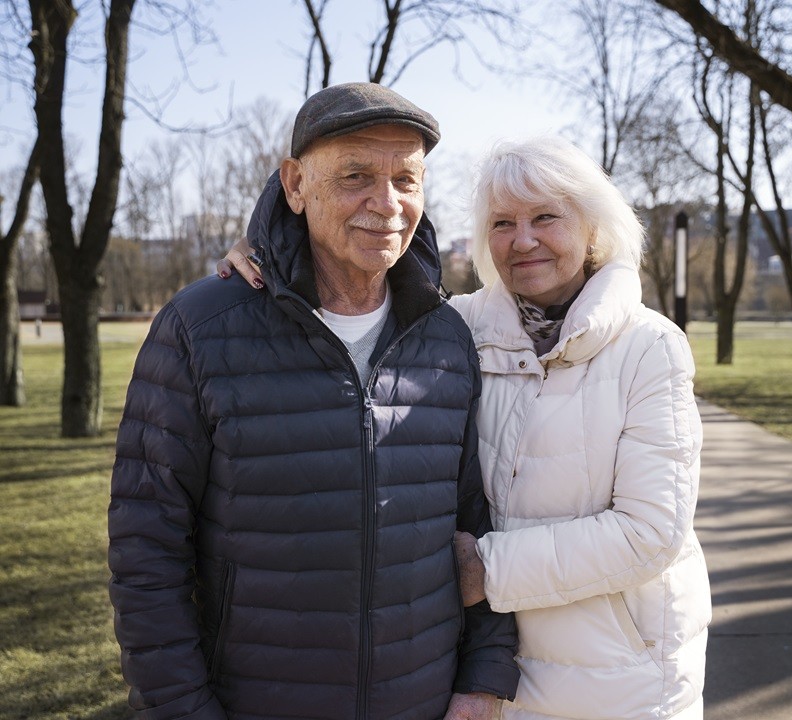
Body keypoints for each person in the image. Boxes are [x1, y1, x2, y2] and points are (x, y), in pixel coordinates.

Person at [221, 136, 711, 719]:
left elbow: (650, 533)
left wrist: (486, 568)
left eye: (546, 217)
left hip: (618, 679)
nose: (522, 240)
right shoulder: (456, 328)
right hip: (489, 678)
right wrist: (269, 250)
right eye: (503, 222)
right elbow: (344, 278)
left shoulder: (650, 347)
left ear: (593, 227)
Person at [108, 82, 520, 720]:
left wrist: (484, 680)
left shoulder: (447, 337)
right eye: (356, 174)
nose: (386, 203)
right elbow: (145, 553)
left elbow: (477, 525)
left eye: (406, 179)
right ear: (295, 184)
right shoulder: (200, 328)